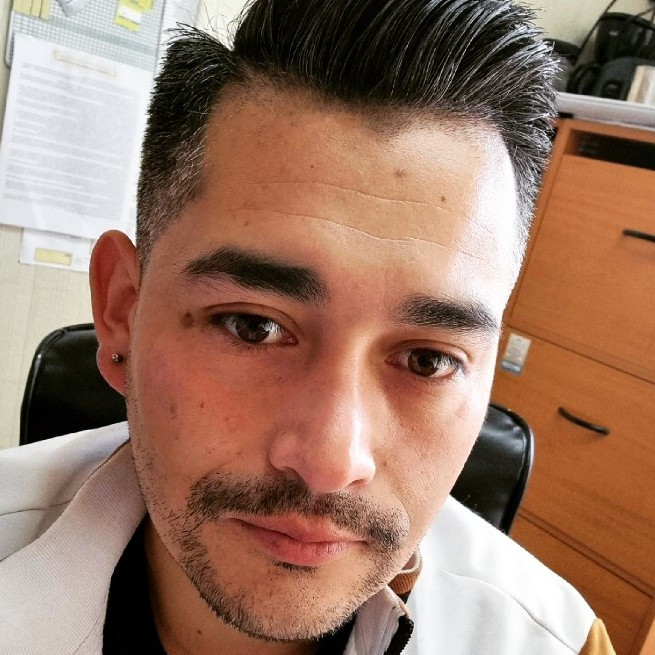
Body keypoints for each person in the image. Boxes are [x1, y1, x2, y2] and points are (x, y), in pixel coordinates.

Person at [0, 0, 616, 653]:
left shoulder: (557, 643)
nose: (328, 462)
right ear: (123, 310)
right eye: (252, 327)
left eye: (428, 360)